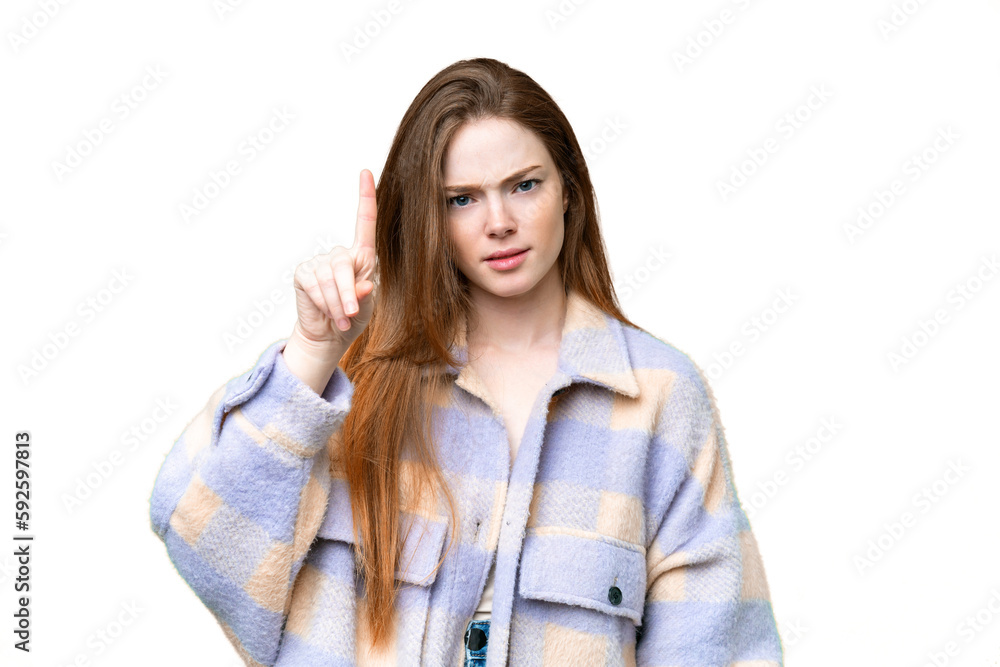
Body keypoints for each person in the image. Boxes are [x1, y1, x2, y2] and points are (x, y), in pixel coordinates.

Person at [148, 57, 784, 667]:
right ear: (429, 214)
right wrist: (315, 351)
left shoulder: (659, 396)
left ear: (569, 191)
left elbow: (716, 649)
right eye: (462, 199)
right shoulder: (351, 380)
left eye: (524, 185)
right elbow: (205, 540)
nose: (499, 222)